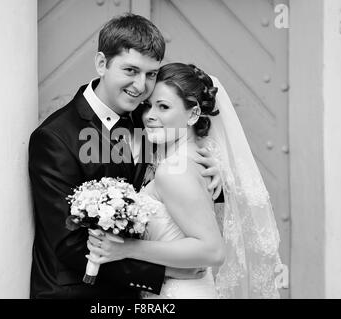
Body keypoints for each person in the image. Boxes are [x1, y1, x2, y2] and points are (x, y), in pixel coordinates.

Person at [28, 14, 222, 299]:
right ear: (102, 64)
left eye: (151, 74)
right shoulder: (55, 138)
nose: (142, 85)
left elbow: (176, 189)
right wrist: (163, 272)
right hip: (80, 292)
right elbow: (70, 244)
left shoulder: (148, 121)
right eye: (131, 70)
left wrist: (215, 177)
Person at [86, 63, 282, 299]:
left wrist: (126, 248)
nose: (149, 116)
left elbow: (212, 250)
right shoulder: (198, 159)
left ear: (193, 114)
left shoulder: (173, 170)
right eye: (148, 106)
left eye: (163, 107)